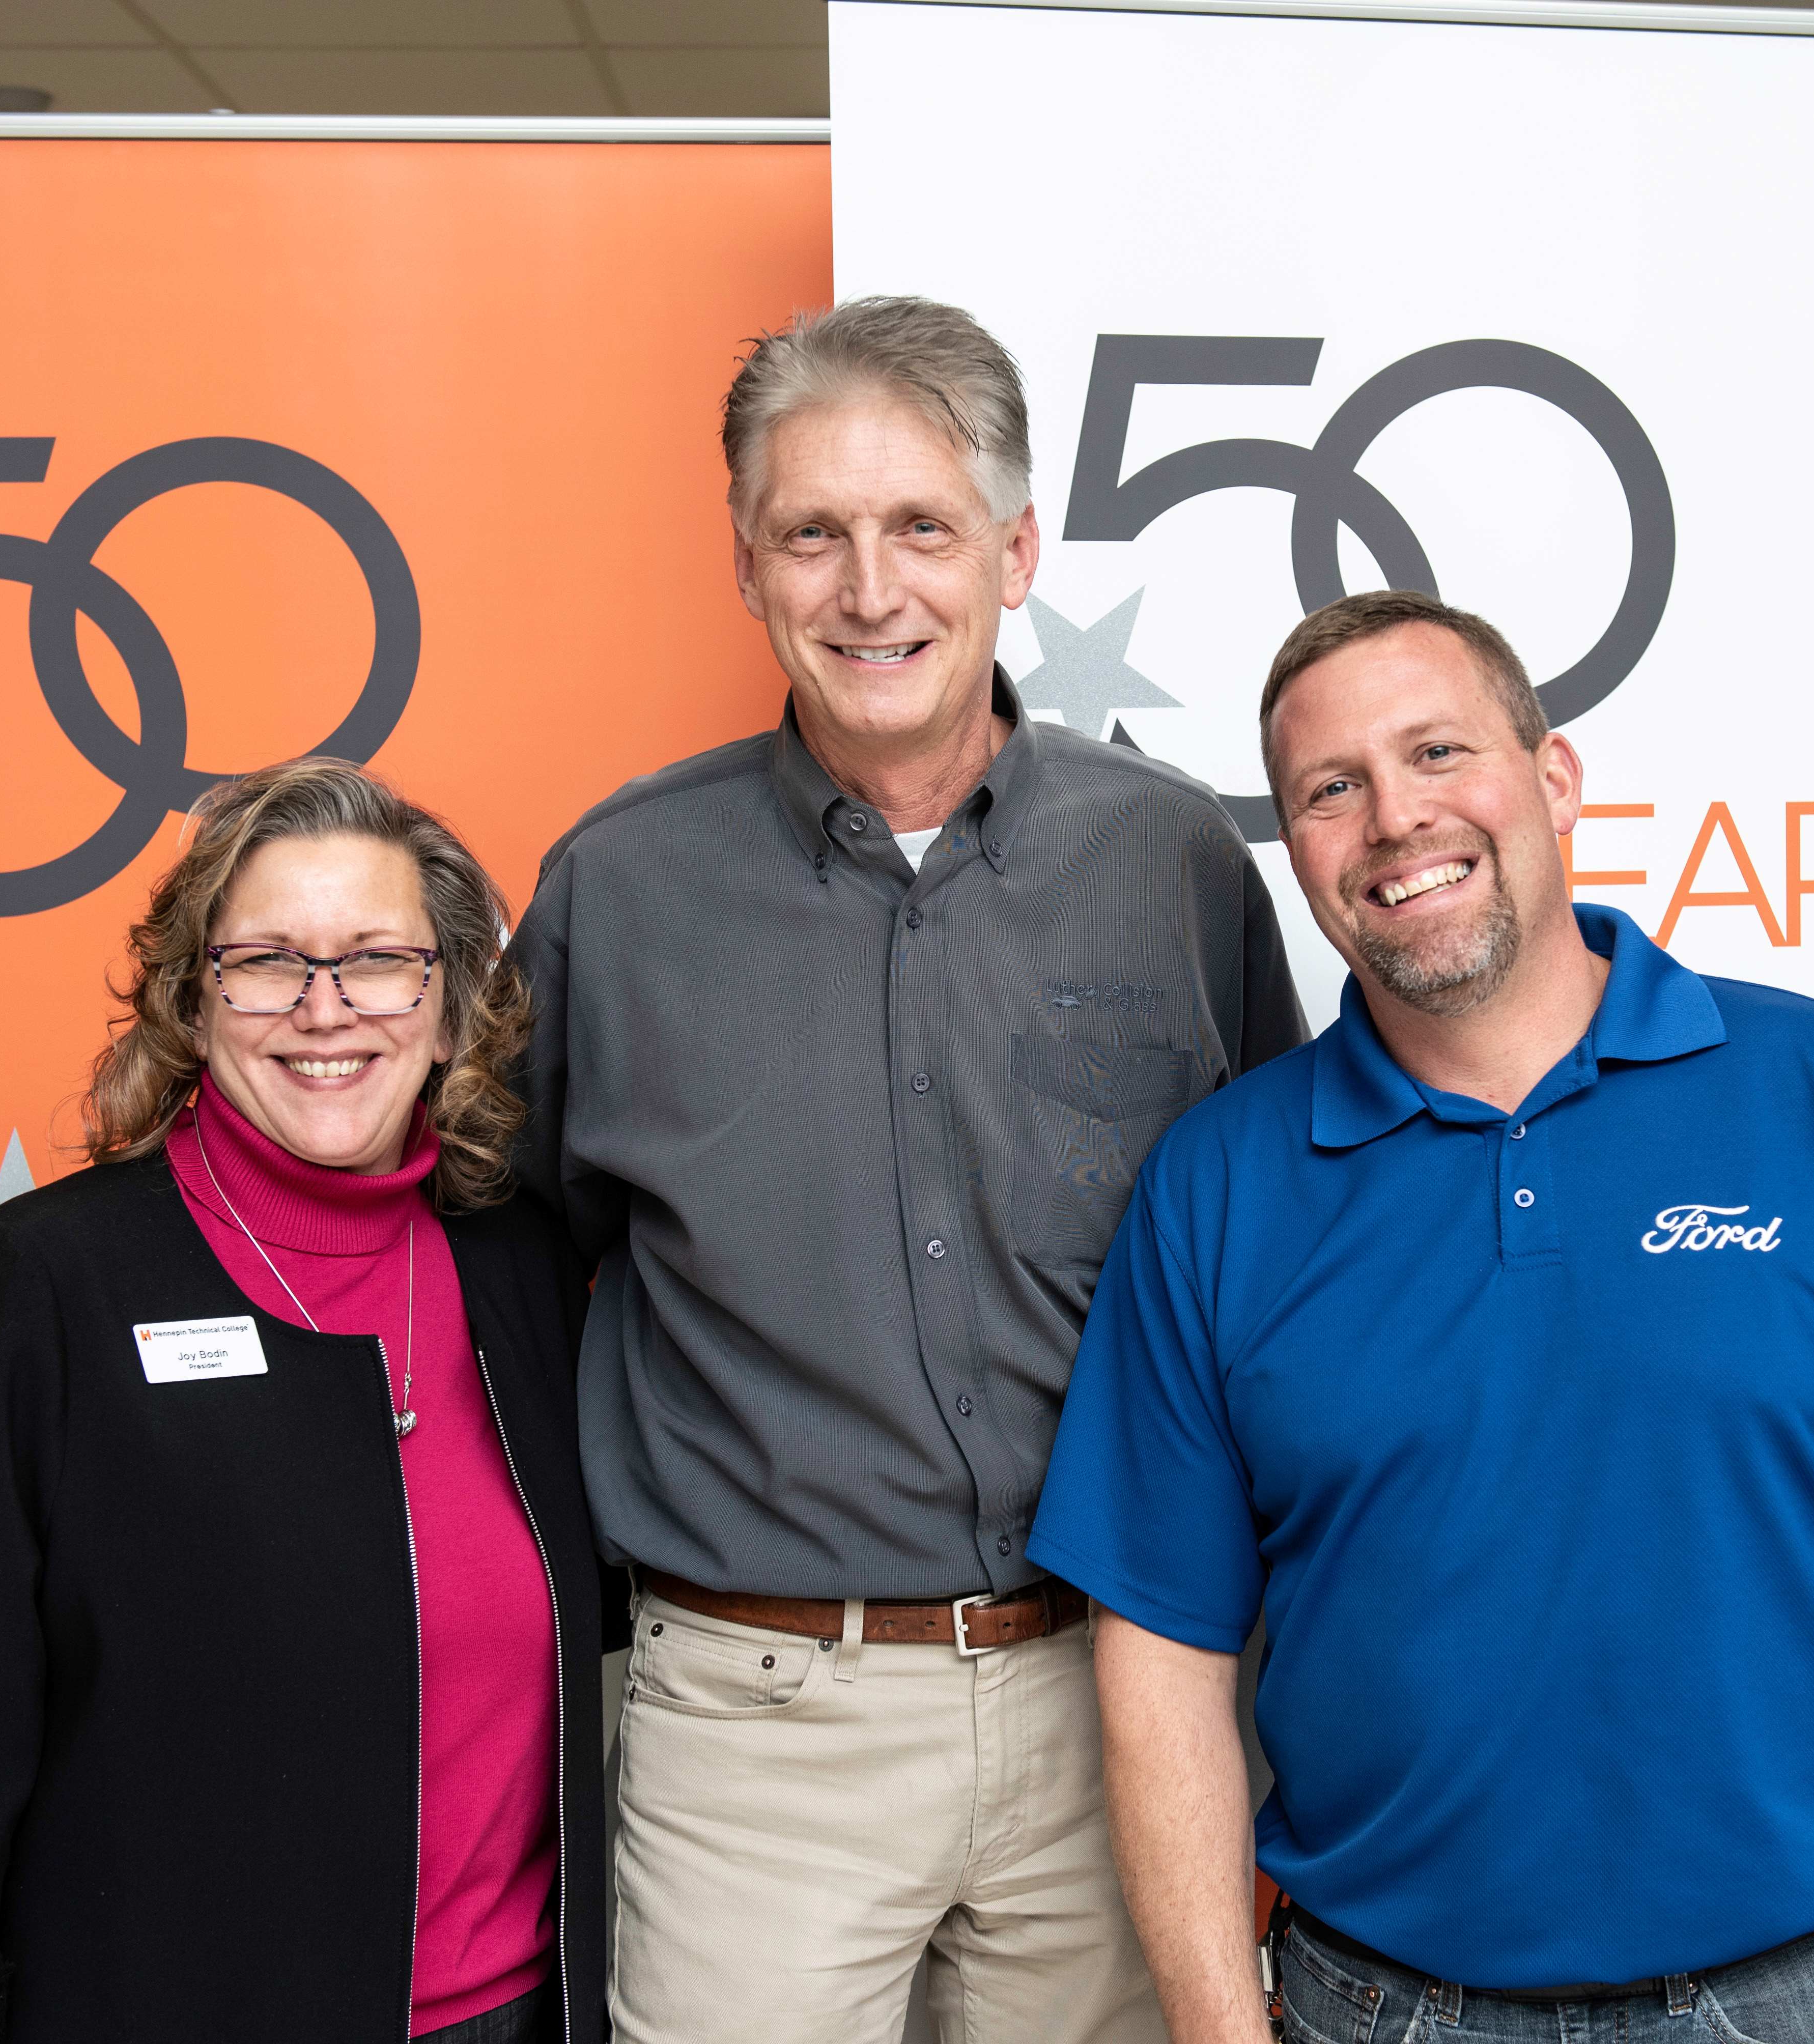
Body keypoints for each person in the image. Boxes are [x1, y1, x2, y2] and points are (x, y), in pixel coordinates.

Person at [1033, 591, 1814, 2044]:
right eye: (1332, 788)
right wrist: (1214, 2028)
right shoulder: (1219, 1186)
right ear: (1296, 847)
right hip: (1378, 2009)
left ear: (1554, 782)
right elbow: (1165, 1651)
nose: (1394, 819)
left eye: (1439, 753)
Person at [507, 295, 1306, 2043]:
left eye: (921, 528)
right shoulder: (614, 889)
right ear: (748, 568)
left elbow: (1291, 1268)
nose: (871, 590)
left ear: (1016, 553)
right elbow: (506, 1272)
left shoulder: (1173, 863)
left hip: (1123, 1702)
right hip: (756, 1720)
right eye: (815, 533)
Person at [0, 759, 604, 2044]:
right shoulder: (36, 1295)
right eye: (264, 961)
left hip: (514, 2015)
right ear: (192, 1005)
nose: (325, 1010)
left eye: (377, 960)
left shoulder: (523, 1269)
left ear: (447, 1009)